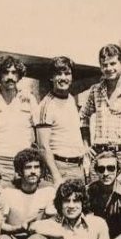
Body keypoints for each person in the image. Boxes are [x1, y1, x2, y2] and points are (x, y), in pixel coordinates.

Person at [79, 44, 121, 183]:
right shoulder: (95, 91)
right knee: (97, 194)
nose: (109, 68)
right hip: (100, 155)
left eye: (113, 63)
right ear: (100, 67)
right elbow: (83, 117)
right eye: (104, 65)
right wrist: (86, 146)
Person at [0, 55, 38, 184]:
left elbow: (37, 135)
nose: (10, 77)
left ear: (19, 76)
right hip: (0, 163)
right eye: (6, 72)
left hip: (25, 163)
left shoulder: (29, 99)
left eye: (14, 72)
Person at [36, 56, 86, 184]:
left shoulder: (71, 99)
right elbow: (43, 147)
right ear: (51, 77)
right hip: (60, 168)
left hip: (78, 167)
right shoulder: (46, 105)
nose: (63, 78)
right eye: (58, 74)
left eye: (67, 73)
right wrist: (56, 176)